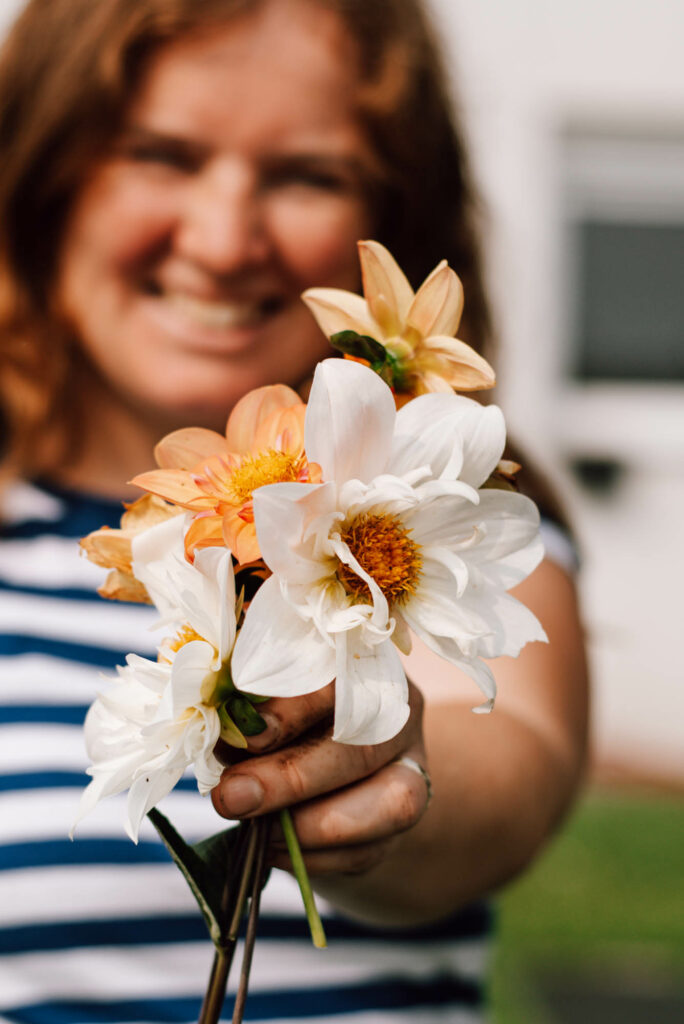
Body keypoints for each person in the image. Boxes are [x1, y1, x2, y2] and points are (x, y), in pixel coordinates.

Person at [0, 0, 589, 1021]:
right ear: (43, 174)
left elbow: (513, 766)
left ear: (392, 219)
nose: (225, 242)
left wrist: (387, 768)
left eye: (306, 173)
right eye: (160, 154)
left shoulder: (453, 508)